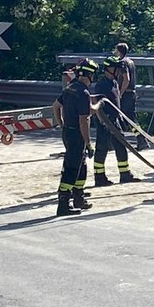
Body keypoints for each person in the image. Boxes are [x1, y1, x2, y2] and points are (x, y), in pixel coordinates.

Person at [52, 59, 97, 216]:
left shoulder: (70, 88)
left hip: (68, 132)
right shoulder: (83, 92)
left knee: (81, 166)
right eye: (92, 75)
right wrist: (88, 143)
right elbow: (83, 120)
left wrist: (61, 124)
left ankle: (79, 198)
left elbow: (56, 106)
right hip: (77, 134)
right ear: (88, 74)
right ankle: (63, 204)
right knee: (72, 168)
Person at [90, 55, 140, 187]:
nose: (118, 71)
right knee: (102, 148)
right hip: (104, 121)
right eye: (115, 68)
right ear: (107, 69)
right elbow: (97, 103)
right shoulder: (101, 85)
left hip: (115, 120)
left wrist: (119, 116)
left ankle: (125, 174)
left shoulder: (114, 83)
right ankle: (99, 177)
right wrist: (102, 120)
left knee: (121, 146)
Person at [114, 42, 141, 142]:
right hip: (132, 92)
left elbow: (126, 79)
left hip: (126, 93)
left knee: (121, 116)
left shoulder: (122, 63)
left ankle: (118, 139)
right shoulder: (131, 62)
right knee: (131, 118)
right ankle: (140, 139)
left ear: (119, 51)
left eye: (116, 50)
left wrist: (120, 93)